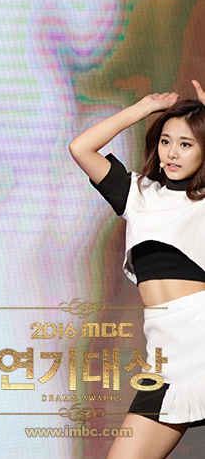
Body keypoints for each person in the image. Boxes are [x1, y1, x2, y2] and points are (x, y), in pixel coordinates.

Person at [69, 80, 205, 459]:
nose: (172, 153)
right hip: (165, 350)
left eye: (186, 144)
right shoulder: (139, 193)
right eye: (166, 141)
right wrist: (144, 108)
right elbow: (81, 148)